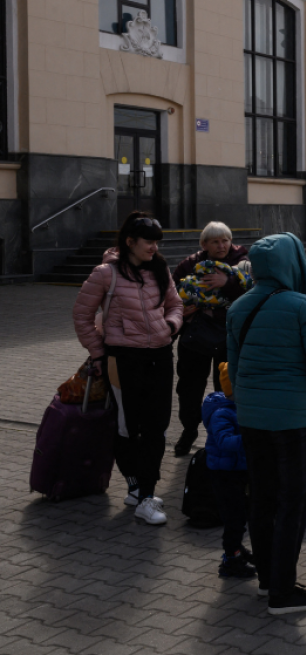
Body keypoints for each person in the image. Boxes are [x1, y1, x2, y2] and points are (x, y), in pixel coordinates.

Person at [227, 232, 306, 614]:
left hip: (253, 418)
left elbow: (235, 367)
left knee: (261, 496)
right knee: (292, 502)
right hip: (294, 420)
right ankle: (282, 591)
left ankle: (265, 580)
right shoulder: (303, 306)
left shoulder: (238, 306)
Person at [73, 212, 184, 526]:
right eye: (148, 241)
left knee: (157, 427)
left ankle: (145, 494)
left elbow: (175, 304)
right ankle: (138, 488)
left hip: (161, 355)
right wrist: (99, 353)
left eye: (156, 242)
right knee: (127, 427)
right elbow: (82, 316)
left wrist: (171, 325)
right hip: (122, 359)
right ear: (130, 241)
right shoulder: (105, 274)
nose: (153, 247)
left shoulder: (159, 269)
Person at [171, 222, 250, 457]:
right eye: (215, 241)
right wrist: (182, 309)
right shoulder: (189, 264)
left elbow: (253, 292)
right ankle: (189, 430)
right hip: (196, 335)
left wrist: (228, 283)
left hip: (230, 336)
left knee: (227, 388)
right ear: (204, 244)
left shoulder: (243, 261)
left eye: (225, 240)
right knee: (189, 387)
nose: (221, 245)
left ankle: (224, 433)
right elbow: (172, 294)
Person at [202, 365, 255, 579]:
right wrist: (250, 438)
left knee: (240, 515)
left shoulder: (237, 407)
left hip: (238, 471)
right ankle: (230, 560)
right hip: (224, 474)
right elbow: (224, 442)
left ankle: (236, 549)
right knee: (234, 518)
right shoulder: (222, 413)